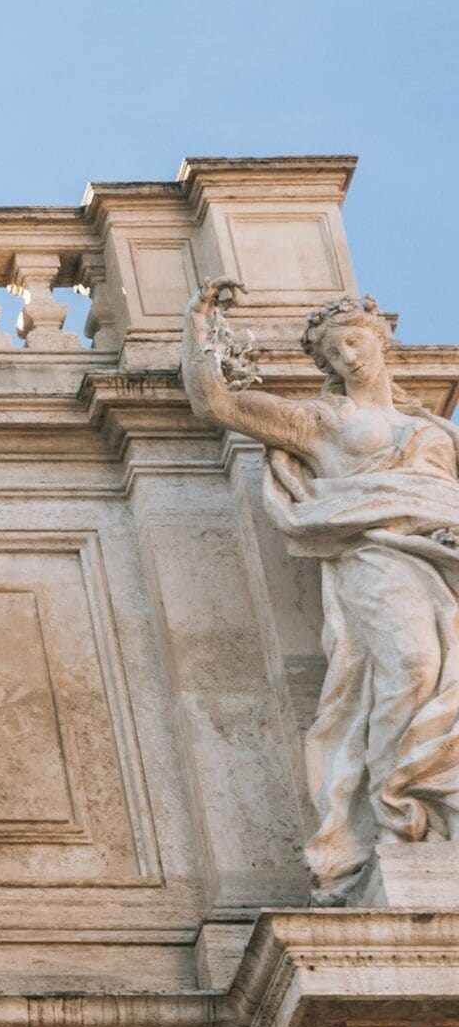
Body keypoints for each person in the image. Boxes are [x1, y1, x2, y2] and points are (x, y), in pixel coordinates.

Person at [184, 284, 459, 902]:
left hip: (448, 549)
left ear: (379, 339)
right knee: (412, 664)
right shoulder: (322, 420)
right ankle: (398, 808)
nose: (348, 358)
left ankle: (445, 813)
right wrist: (199, 327)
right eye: (333, 354)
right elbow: (217, 402)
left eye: (355, 342)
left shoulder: (432, 426)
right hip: (376, 552)